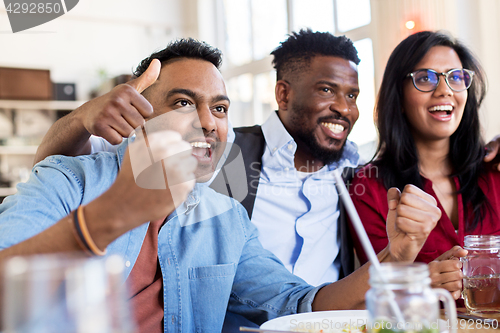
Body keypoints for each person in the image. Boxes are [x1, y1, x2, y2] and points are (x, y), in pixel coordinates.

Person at [0, 38, 441, 332]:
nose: (208, 123)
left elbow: (298, 306)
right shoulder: (69, 180)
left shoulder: (225, 219)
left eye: (222, 108)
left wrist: (397, 255)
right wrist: (115, 212)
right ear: (136, 112)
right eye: (183, 103)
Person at [349, 30, 500, 301]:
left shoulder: (494, 171)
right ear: (400, 97)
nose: (445, 90)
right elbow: (375, 294)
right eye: (425, 78)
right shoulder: (368, 187)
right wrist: (421, 284)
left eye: (456, 77)